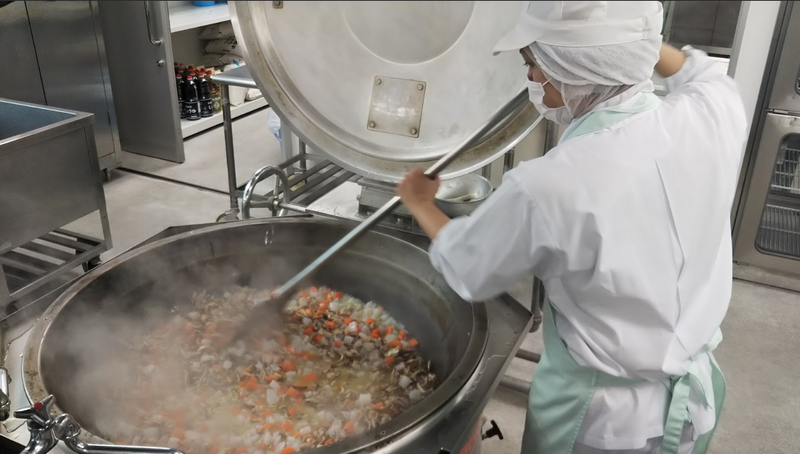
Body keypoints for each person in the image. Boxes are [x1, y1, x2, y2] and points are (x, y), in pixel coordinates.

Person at [396, 1, 748, 454]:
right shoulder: (711, 112)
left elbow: (467, 267)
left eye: (533, 62)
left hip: (603, 426)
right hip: (692, 412)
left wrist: (420, 202)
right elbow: (697, 70)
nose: (530, 76)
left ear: (574, 67)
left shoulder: (551, 184)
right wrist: (627, 34)